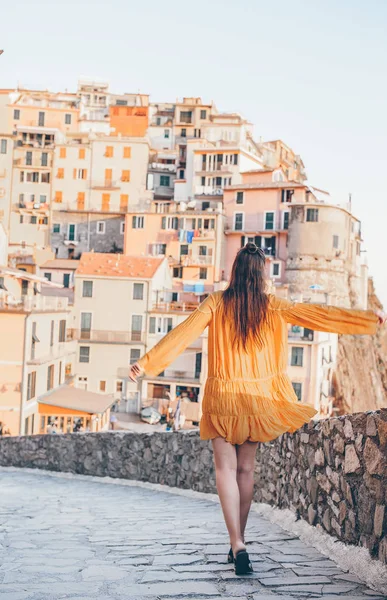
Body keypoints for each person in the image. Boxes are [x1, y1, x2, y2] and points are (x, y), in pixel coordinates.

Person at [129, 243, 386, 575]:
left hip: (223, 397)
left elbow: (182, 334)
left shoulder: (216, 304)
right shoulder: (273, 306)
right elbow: (317, 315)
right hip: (255, 400)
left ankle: (236, 542)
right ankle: (241, 542)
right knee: (245, 471)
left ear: (235, 271)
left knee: (225, 470)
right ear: (261, 274)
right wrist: (367, 320)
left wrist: (146, 363)